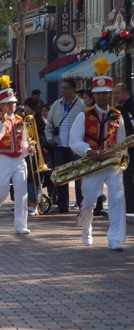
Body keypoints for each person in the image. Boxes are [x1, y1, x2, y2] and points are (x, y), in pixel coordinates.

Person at [70, 59, 127, 251]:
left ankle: (115, 237)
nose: (102, 97)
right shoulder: (83, 116)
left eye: (106, 93)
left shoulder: (117, 115)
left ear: (110, 94)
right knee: (89, 201)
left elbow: (122, 140)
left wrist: (122, 160)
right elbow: (74, 141)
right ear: (93, 95)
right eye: (99, 93)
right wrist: (88, 151)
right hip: (92, 163)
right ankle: (86, 228)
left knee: (117, 199)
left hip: (112, 164)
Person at [0, 75, 33, 234]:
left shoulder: (20, 120)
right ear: (2, 105)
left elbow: (23, 141)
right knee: (2, 193)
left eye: (14, 103)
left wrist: (28, 150)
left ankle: (20, 225)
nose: (12, 106)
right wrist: (1, 121)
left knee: (21, 193)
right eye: (9, 103)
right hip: (3, 160)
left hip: (19, 160)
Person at [45, 79, 85, 213]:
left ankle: (82, 204)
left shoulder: (81, 105)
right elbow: (49, 125)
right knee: (61, 176)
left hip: (76, 148)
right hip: (59, 146)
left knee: (79, 176)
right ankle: (63, 205)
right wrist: (50, 138)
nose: (63, 91)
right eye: (62, 88)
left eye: (66, 88)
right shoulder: (56, 105)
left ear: (73, 89)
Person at [112, 83, 134, 213]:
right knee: (125, 175)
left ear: (126, 93)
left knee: (129, 175)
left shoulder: (130, 108)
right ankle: (128, 202)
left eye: (117, 93)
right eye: (113, 93)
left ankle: (130, 204)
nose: (115, 96)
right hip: (123, 149)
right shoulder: (117, 110)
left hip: (131, 148)